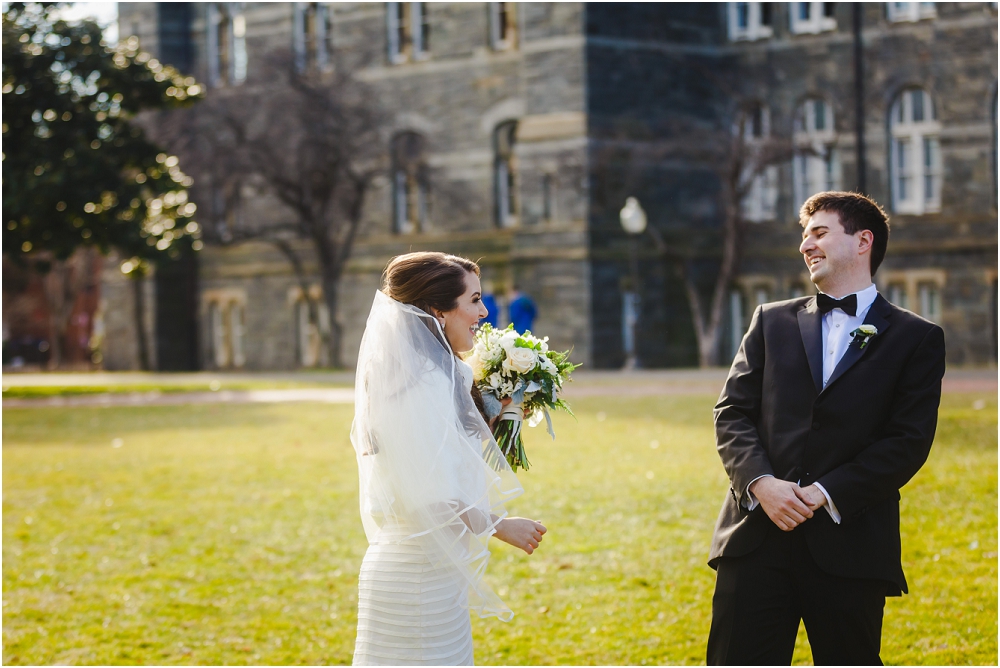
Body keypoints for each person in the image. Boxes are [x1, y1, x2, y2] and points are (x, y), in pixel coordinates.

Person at [707, 191, 946, 665]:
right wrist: (761, 483)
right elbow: (732, 412)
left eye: (819, 233)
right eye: (803, 235)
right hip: (757, 537)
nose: (805, 245)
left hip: (850, 543)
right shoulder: (770, 321)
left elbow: (907, 442)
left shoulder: (916, 338)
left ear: (863, 241)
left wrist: (823, 493)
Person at [350, 251, 547, 666]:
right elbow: (428, 497)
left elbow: (443, 457)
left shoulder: (432, 374)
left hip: (432, 573)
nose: (484, 311)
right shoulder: (421, 384)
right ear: (438, 311)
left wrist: (506, 412)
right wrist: (499, 525)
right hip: (415, 576)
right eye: (474, 300)